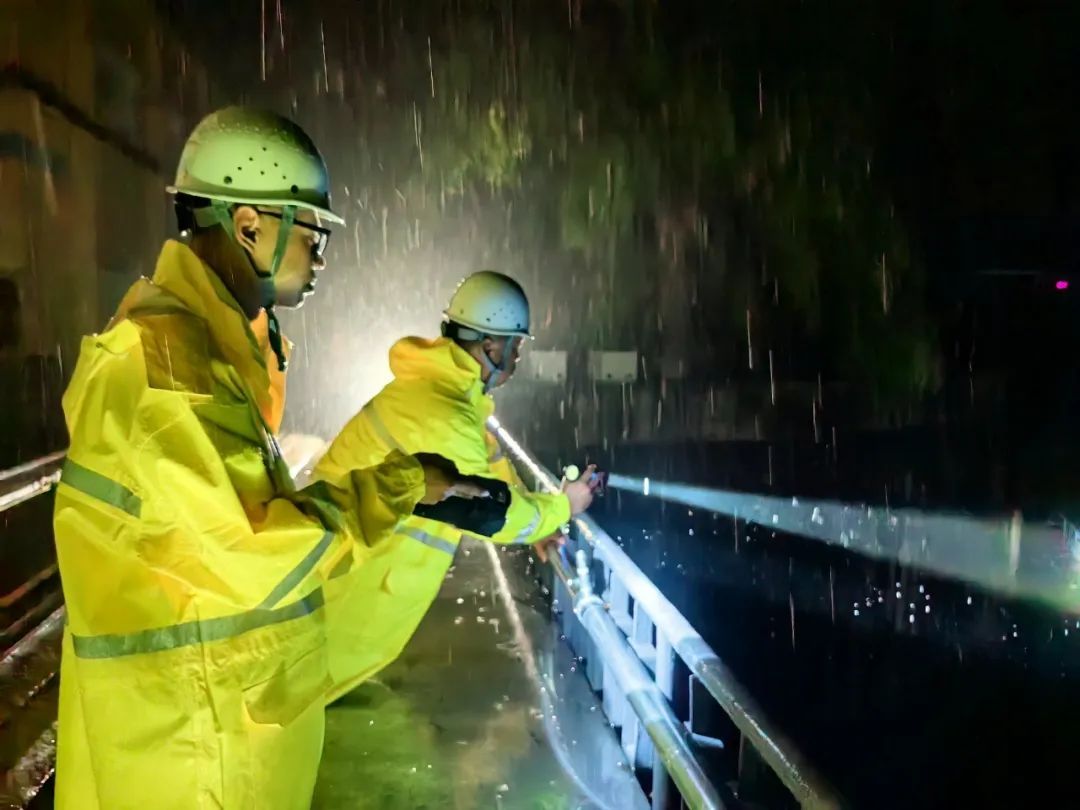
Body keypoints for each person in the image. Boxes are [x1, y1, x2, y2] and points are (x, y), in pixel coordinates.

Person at [52, 107, 442, 810]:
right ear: (250, 224)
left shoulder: (197, 352)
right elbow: (259, 551)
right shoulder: (166, 370)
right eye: (312, 231)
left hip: (205, 741)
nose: (320, 256)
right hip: (196, 762)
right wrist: (407, 485)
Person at [313, 270, 599, 703]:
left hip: (347, 585)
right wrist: (562, 508)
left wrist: (539, 524)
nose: (518, 357)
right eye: (515, 346)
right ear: (490, 346)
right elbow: (491, 514)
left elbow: (487, 467)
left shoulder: (445, 396)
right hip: (341, 601)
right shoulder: (442, 412)